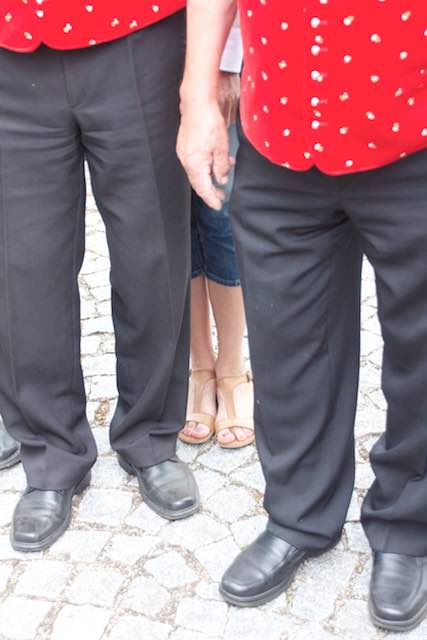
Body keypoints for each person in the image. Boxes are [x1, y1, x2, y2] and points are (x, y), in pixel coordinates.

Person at [178, 0, 427, 632]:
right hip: (280, 130)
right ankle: (299, 515)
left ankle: (409, 524)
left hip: (413, 127)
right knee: (287, 342)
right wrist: (198, 98)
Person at [0, 0, 216, 553]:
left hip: (137, 33)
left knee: (151, 254)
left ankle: (150, 436)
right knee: (26, 268)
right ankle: (51, 454)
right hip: (12, 46)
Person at [179, 17, 255, 450]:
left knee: (219, 211)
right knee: (176, 219)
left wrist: (226, 61)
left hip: (219, 45)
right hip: (147, 48)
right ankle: (200, 365)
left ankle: (231, 366)